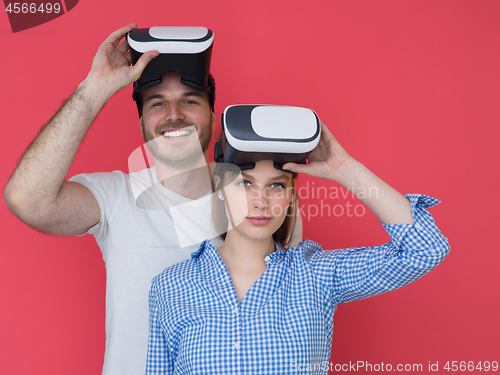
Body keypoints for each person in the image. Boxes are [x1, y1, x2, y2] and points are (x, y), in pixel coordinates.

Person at [3, 23, 303, 375]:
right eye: (158, 103)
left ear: (211, 115)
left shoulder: (262, 203)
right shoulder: (114, 197)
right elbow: (27, 199)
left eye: (189, 101)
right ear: (142, 121)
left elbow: (292, 316)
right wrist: (94, 89)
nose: (174, 116)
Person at [145, 122, 450, 374]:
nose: (261, 201)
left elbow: (425, 249)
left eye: (276, 185)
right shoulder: (170, 286)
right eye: (245, 183)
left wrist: (345, 169)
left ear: (291, 194)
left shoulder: (317, 275)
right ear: (220, 188)